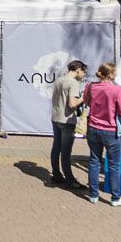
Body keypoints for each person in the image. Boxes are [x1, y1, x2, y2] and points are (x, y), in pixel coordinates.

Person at [85, 62, 121, 205]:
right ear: (111, 75)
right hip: (111, 130)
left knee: (94, 161)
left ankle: (93, 196)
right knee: (114, 165)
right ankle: (115, 198)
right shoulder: (116, 90)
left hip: (92, 127)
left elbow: (86, 102)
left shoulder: (90, 86)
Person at [50, 59, 87, 189]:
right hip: (67, 120)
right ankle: (70, 179)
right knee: (66, 151)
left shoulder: (59, 80)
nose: (83, 76)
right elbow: (72, 104)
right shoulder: (74, 83)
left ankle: (56, 174)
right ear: (78, 70)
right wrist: (85, 97)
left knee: (56, 147)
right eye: (84, 72)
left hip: (56, 117)